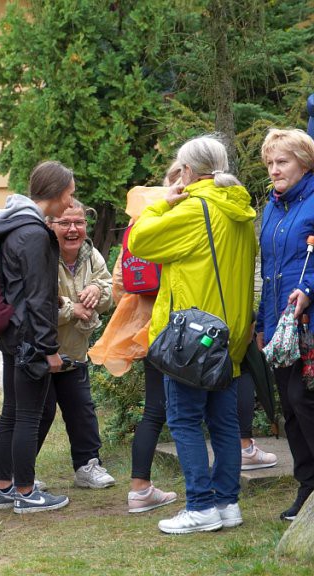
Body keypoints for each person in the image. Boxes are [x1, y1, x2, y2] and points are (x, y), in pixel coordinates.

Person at [129, 135, 257, 534]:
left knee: (184, 420)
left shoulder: (195, 209)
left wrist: (160, 204)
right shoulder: (238, 209)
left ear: (186, 171)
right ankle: (227, 503)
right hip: (229, 334)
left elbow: (140, 241)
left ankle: (200, 506)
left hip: (193, 338)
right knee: (224, 423)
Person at [0, 160, 75, 514]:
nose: (71, 201)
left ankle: (2, 487)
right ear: (55, 192)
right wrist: (48, 348)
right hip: (30, 338)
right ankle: (25, 491)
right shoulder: (34, 233)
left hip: (11, 332)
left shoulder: (12, 223)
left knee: (11, 412)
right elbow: (38, 297)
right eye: (69, 193)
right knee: (28, 416)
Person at [256, 128, 314, 521]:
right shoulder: (272, 207)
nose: (274, 170)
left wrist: (309, 289)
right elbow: (269, 270)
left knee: (303, 399)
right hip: (279, 325)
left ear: (305, 163)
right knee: (289, 409)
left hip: (308, 321)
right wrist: (262, 321)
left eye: (282, 161)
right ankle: (307, 487)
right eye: (270, 163)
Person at [37, 200, 115, 489]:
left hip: (75, 352)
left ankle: (88, 466)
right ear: (50, 225)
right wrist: (73, 309)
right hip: (42, 352)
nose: (73, 230)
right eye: (65, 223)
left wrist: (97, 289)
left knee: (82, 412)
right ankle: (20, 474)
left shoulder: (90, 254)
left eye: (79, 223)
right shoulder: (42, 253)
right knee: (37, 415)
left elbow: (109, 291)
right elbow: (37, 304)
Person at [119, 162, 183, 514]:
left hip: (151, 328)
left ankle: (139, 487)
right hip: (188, 326)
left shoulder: (141, 221)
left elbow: (120, 280)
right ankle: (241, 455)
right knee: (207, 405)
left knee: (155, 410)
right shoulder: (187, 218)